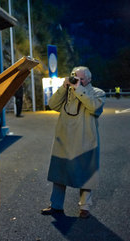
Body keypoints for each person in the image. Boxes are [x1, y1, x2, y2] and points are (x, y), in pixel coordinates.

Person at [41, 66, 105, 219]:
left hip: (85, 140)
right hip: (64, 139)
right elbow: (52, 104)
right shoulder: (67, 92)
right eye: (75, 77)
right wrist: (64, 87)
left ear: (89, 79)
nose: (78, 81)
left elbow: (94, 107)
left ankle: (85, 207)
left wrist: (78, 89)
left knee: (86, 174)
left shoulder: (97, 93)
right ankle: (56, 205)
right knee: (59, 172)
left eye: (81, 78)